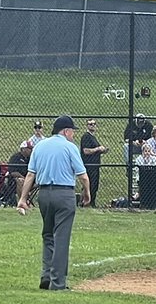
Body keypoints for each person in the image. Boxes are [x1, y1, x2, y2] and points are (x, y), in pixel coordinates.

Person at [17, 115, 90, 291]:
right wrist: (86, 193)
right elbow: (83, 175)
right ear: (66, 131)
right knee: (61, 238)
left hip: (44, 195)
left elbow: (30, 175)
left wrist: (23, 198)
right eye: (72, 131)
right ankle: (58, 283)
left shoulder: (40, 146)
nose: (73, 135)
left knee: (48, 235)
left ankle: (46, 276)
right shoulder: (69, 147)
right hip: (64, 193)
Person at [79, 119, 108, 207]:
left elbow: (95, 150)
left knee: (94, 185)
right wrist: (98, 149)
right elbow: (86, 151)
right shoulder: (86, 136)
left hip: (95, 166)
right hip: (89, 165)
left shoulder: (93, 137)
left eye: (94, 124)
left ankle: (92, 202)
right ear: (87, 126)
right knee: (89, 185)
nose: (92, 125)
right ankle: (85, 202)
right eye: (90, 124)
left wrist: (103, 150)